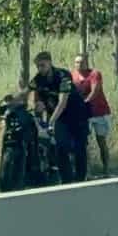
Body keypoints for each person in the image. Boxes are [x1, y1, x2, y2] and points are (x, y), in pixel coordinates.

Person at [30, 50, 89, 184]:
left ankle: (81, 179)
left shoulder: (63, 75)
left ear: (50, 63)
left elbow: (62, 103)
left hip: (76, 114)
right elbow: (27, 91)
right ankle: (66, 180)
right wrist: (12, 102)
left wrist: (50, 122)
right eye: (38, 66)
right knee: (60, 146)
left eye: (42, 65)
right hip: (59, 117)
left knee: (80, 147)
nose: (40, 69)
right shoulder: (38, 79)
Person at [70, 51, 113, 174]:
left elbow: (95, 91)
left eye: (82, 62)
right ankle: (86, 171)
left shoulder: (94, 74)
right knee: (83, 142)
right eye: (77, 62)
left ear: (86, 62)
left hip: (99, 112)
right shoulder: (72, 76)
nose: (79, 64)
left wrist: (83, 103)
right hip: (83, 115)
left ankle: (106, 169)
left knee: (101, 141)